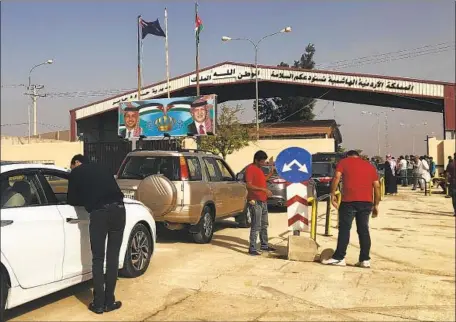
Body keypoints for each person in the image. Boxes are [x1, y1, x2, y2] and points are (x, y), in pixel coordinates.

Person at [67, 154, 125, 314]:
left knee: (98, 258)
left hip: (99, 213)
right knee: (113, 258)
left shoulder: (76, 172)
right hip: (119, 210)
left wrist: (86, 198)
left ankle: (98, 304)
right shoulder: (102, 166)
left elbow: (71, 199)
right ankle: (110, 302)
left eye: (72, 166)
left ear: (76, 163)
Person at [322, 150, 380, 268]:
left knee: (344, 229)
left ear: (347, 156)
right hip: (366, 202)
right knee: (363, 230)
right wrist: (376, 204)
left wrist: (332, 194)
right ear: (358, 156)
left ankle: (339, 257)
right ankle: (365, 259)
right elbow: (377, 185)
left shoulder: (344, 162)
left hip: (349, 201)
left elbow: (337, 177)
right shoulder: (369, 165)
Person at [244, 150, 276, 255]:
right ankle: (252, 248)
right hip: (255, 201)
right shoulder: (250, 169)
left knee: (264, 224)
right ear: (256, 160)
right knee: (256, 225)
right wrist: (264, 190)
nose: (263, 163)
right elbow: (248, 185)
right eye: (262, 161)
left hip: (263, 200)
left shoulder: (259, 170)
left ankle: (264, 245)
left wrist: (271, 173)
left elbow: (262, 180)